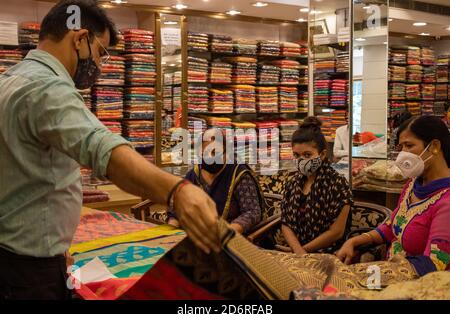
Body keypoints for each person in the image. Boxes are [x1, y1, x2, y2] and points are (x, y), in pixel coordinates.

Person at [0, 0, 220, 300]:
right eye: (101, 53)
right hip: (27, 273)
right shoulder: (47, 89)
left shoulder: (9, 80)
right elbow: (104, 150)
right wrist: (177, 191)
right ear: (80, 39)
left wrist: (52, 248)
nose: (101, 66)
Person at [337, 115, 450, 275]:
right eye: (401, 147)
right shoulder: (412, 184)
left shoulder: (446, 201)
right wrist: (356, 240)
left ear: (435, 146)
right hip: (388, 274)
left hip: (416, 286)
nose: (403, 154)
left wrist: (372, 273)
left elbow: (434, 265)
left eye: (409, 145)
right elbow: (393, 226)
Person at [167, 129, 264, 235]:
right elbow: (176, 210)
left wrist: (227, 231)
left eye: (215, 152)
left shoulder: (238, 174)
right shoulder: (193, 175)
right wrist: (171, 234)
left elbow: (252, 212)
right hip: (198, 237)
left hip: (230, 238)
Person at [281, 117, 353, 255]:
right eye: (296, 155)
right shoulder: (292, 183)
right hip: (295, 252)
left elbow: (336, 232)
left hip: (328, 254)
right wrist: (297, 250)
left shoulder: (338, 184)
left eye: (307, 155)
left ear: (322, 154)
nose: (301, 160)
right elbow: (286, 223)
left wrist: (302, 252)